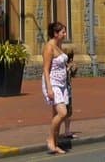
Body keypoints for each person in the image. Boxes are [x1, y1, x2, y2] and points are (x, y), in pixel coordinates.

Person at [42, 21, 69, 155]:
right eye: (63, 32)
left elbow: (61, 63)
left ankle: (55, 143)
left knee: (56, 114)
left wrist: (69, 67)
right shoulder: (49, 47)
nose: (65, 34)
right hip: (53, 83)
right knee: (62, 113)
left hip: (63, 84)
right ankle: (50, 139)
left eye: (65, 32)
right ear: (55, 34)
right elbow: (46, 70)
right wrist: (50, 88)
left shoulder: (59, 44)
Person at [61, 48, 77, 143]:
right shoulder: (61, 66)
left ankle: (67, 130)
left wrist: (72, 68)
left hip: (68, 90)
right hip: (61, 90)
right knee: (61, 112)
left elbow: (74, 74)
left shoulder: (69, 66)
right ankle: (57, 132)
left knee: (69, 111)